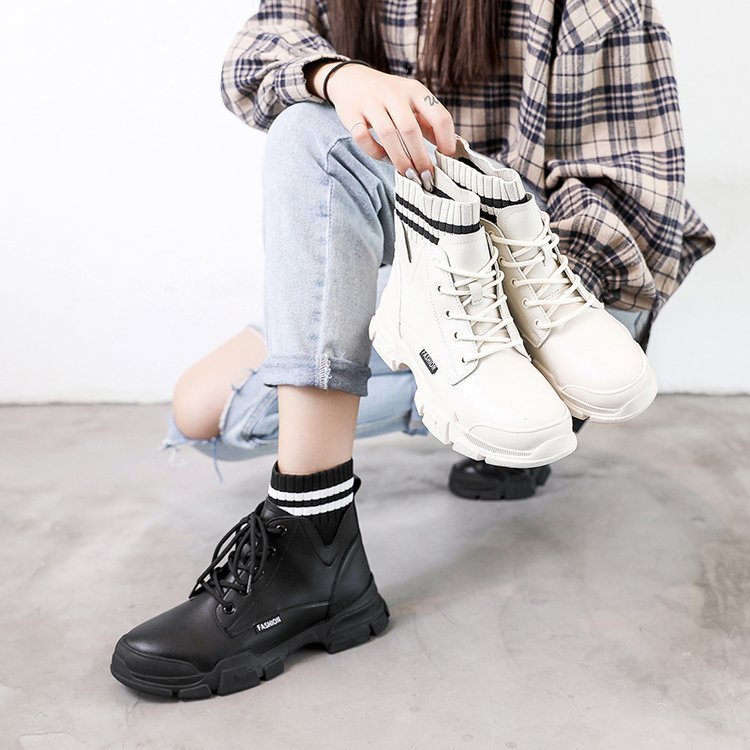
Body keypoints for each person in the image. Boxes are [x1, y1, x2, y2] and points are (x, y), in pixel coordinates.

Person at [110, 0, 715, 699]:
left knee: (315, 140)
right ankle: (480, 403)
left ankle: (312, 534)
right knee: (204, 409)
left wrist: (489, 286)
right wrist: (339, 76)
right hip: (426, 277)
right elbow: (253, 52)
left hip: (563, 292)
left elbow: (636, 201)